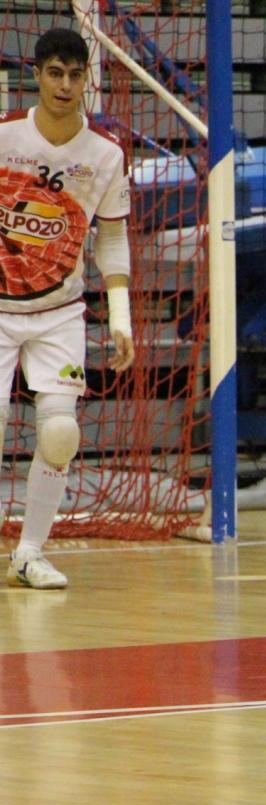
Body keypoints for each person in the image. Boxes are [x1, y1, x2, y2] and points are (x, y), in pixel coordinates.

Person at [1, 28, 135, 590]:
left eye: (75, 75)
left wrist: (121, 317)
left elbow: (112, 238)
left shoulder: (105, 155)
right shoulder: (5, 137)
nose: (64, 85)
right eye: (55, 73)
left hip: (60, 311)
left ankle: (30, 552)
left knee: (60, 433)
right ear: (36, 75)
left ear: (86, 81)